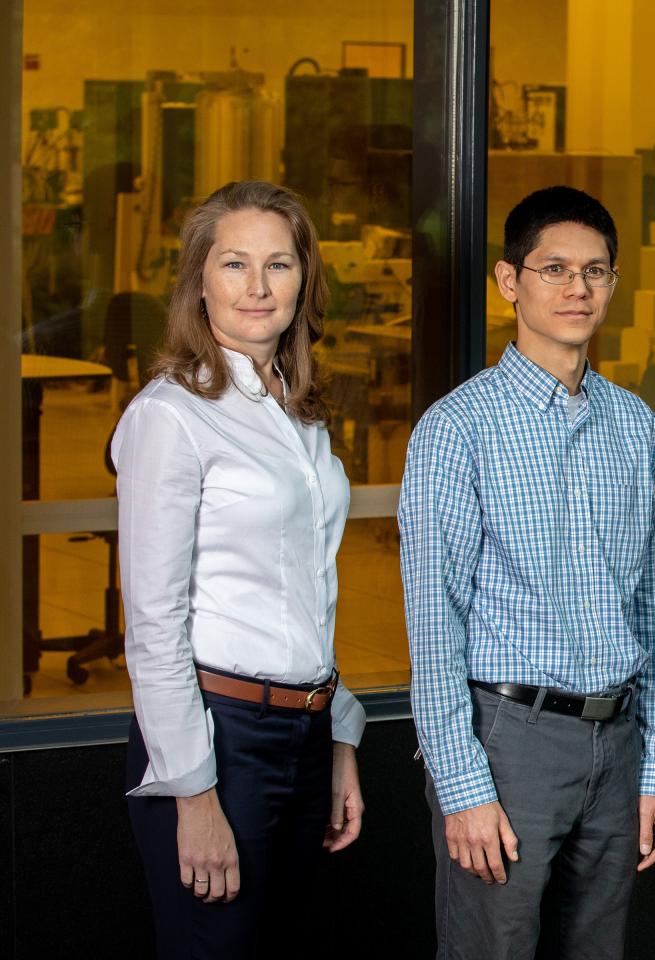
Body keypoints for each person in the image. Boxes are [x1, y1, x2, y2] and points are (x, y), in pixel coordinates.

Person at [399, 185, 655, 959]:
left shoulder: (638, 427)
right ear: (508, 282)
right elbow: (434, 624)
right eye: (554, 269)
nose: (577, 289)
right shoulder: (456, 429)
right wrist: (462, 789)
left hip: (618, 743)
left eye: (595, 272)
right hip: (508, 744)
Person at [115, 180, 365, 958]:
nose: (258, 287)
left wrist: (340, 737)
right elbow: (154, 622)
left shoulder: (298, 412)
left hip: (305, 732)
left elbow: (305, 590)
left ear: (304, 281)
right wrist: (191, 791)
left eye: (279, 265)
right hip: (220, 741)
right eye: (234, 264)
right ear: (200, 281)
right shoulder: (170, 415)